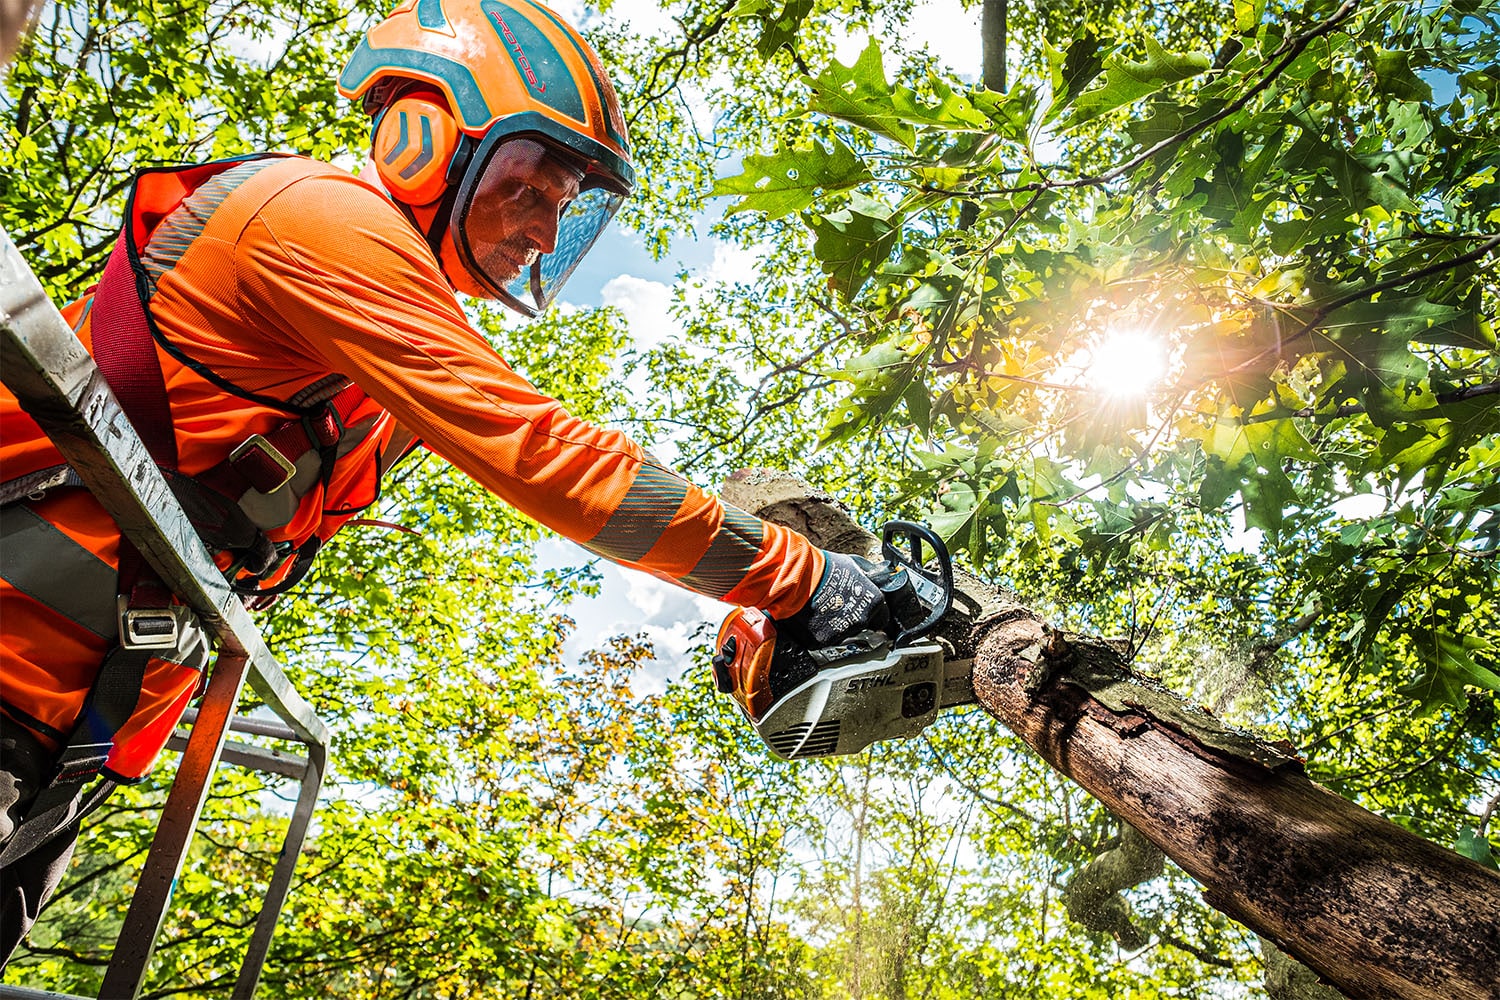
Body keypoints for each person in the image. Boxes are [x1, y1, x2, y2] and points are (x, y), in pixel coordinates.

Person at [0, 0, 888, 964]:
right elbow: (544, 456)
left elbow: (557, 474)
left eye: (568, 206)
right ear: (427, 133)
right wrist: (803, 581)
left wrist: (748, 609)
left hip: (63, 740)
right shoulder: (317, 219)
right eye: (534, 188)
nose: (547, 233)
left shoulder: (366, 373)